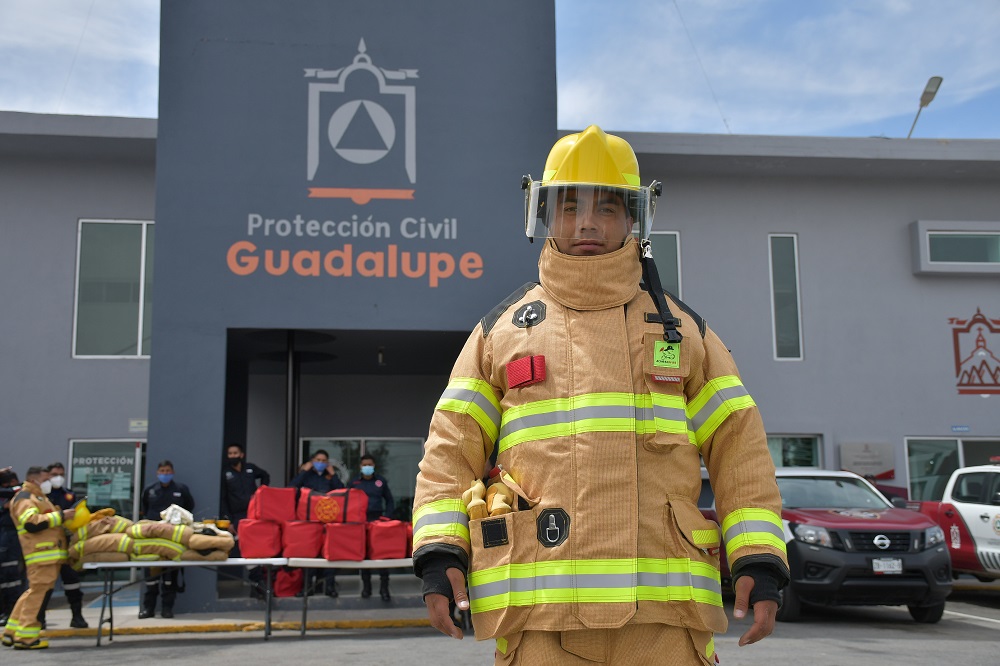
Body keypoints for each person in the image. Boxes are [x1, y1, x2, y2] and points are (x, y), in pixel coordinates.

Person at [411, 126, 789, 664]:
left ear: (635, 219)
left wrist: (759, 558)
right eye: (569, 207)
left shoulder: (682, 333)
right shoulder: (501, 333)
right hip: (540, 619)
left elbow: (740, 451)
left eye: (608, 208)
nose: (587, 221)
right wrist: (439, 550)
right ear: (543, 215)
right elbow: (450, 451)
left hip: (664, 623)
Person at [1, 466, 74, 649]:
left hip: (46, 554)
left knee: (32, 592)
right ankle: (26, 638)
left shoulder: (38, 497)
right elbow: (30, 523)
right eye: (47, 479)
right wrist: (61, 516)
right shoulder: (26, 498)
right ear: (35, 480)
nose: (50, 482)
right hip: (40, 554)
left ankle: (11, 632)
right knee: (37, 595)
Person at [34, 462, 88, 629]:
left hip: (65, 544)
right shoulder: (40, 497)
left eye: (61, 474)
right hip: (45, 546)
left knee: (72, 582)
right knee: (45, 584)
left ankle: (77, 616)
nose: (58, 478)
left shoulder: (69, 495)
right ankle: (39, 619)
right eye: (54, 474)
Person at [138, 460, 195, 619]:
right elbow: (144, 508)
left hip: (173, 538)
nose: (165, 474)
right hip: (153, 538)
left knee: (170, 576)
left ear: (173, 472)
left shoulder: (181, 490)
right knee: (151, 575)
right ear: (157, 473)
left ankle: (167, 609)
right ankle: (148, 609)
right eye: (162, 471)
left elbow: (189, 507)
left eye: (168, 471)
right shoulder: (150, 490)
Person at [220, 443, 270, 599]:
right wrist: (229, 521)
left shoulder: (250, 469)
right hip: (237, 517)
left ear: (241, 454)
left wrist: (261, 493)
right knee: (246, 550)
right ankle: (258, 584)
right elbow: (223, 499)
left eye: (235, 453)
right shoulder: (225, 473)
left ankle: (257, 587)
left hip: (254, 515)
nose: (233, 456)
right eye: (230, 453)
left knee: (257, 549)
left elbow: (265, 475)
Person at [290, 450, 343, 596]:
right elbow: (292, 488)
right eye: (318, 460)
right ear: (312, 461)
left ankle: (329, 587)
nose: (320, 463)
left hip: (328, 520)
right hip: (309, 521)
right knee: (309, 554)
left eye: (323, 460)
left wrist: (333, 474)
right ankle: (307, 588)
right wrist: (303, 471)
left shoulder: (330, 476)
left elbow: (342, 491)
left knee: (329, 553)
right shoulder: (306, 475)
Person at [348, 454, 395, 601]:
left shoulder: (380, 481)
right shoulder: (354, 482)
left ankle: (384, 589)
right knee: (365, 555)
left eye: (370, 464)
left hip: (378, 521)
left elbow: (389, 500)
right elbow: (346, 501)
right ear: (360, 467)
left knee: (382, 554)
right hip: (360, 522)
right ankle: (366, 588)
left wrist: (387, 517)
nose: (367, 467)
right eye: (364, 465)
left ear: (374, 466)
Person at [0, 469, 27, 628]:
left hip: (12, 543)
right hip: (5, 541)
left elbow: (19, 489)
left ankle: (13, 613)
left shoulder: (20, 493)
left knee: (14, 579)